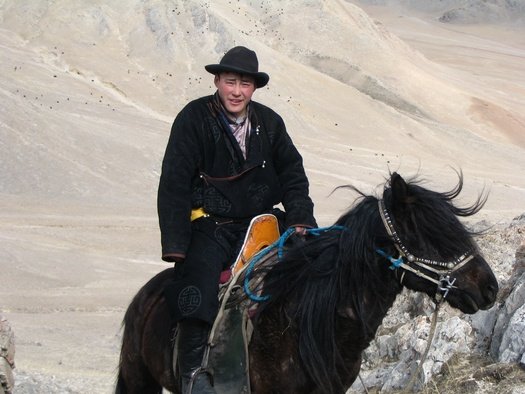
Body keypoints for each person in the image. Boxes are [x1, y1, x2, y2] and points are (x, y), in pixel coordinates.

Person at [157, 46, 317, 394]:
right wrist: (176, 244)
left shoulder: (270, 123)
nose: (236, 91)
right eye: (230, 82)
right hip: (210, 226)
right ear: (217, 81)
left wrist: (301, 218)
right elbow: (174, 182)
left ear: (254, 89)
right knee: (196, 290)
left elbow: (292, 173)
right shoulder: (193, 119)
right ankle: (194, 375)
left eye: (244, 84)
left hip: (261, 223)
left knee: (313, 267)